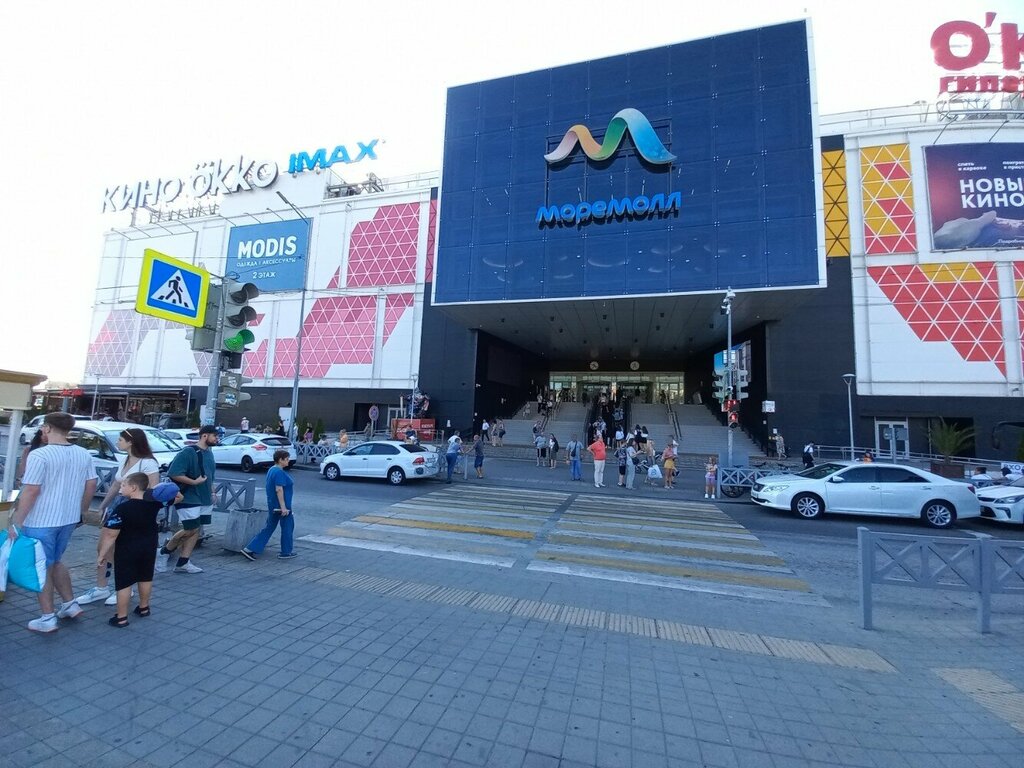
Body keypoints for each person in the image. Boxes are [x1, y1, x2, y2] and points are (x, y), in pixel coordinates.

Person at [7, 412, 96, 633]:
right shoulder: (83, 453)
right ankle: (69, 604)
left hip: (41, 520)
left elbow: (31, 490)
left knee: (41, 566)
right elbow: (91, 484)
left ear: (47, 428)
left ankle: (47, 617)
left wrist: (16, 521)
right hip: (68, 518)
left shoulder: (39, 455)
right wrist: (81, 511)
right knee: (55, 561)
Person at [77, 428, 161, 607]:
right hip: (118, 506)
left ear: (131, 442)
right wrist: (103, 505)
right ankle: (101, 587)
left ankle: (124, 587)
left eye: (121, 440)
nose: (117, 443)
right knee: (104, 546)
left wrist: (144, 511)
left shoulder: (148, 463)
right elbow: (116, 484)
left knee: (121, 549)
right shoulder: (125, 459)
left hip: (135, 507)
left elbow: (153, 489)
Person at [103, 473, 180, 627]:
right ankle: (144, 607)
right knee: (145, 577)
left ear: (133, 488)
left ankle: (121, 617)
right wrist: (155, 491)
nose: (121, 488)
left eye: (124, 485)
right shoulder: (155, 503)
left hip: (127, 548)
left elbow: (111, 534)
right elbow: (178, 496)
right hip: (149, 546)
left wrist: (102, 554)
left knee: (124, 582)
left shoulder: (122, 508)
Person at [158, 424, 218, 574]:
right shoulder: (188, 452)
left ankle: (183, 562)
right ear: (205, 435)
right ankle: (163, 552)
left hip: (204, 497)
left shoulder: (209, 453)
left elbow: (209, 475)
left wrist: (213, 492)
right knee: (190, 528)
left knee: (196, 529)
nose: (217, 439)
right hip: (189, 496)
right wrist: (194, 482)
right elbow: (174, 473)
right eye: (215, 436)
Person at [241, 450, 296, 561]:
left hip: (273, 504)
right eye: (286, 459)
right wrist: (283, 507)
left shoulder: (272, 470)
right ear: (280, 460)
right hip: (282, 506)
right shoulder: (279, 472)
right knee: (287, 527)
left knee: (269, 527)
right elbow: (279, 489)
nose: (288, 461)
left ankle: (250, 548)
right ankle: (286, 552)